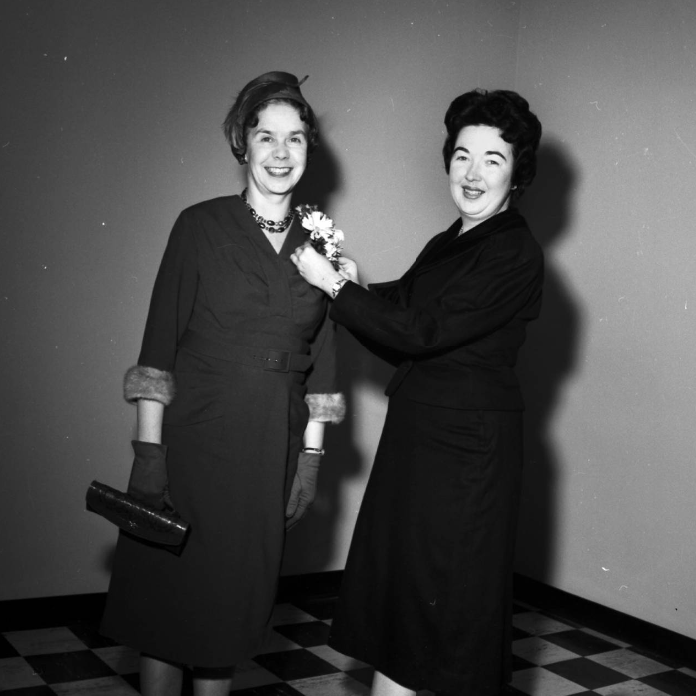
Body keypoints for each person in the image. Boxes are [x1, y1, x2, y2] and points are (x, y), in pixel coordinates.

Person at [100, 71, 345, 696]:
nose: (281, 154)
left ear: (310, 148)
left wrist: (311, 459)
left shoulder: (323, 247)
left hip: (271, 447)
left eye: (295, 139)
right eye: (267, 137)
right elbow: (157, 350)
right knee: (167, 605)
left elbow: (325, 363)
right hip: (194, 444)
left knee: (230, 611)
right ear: (244, 143)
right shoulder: (199, 225)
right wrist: (148, 454)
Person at [291, 88, 543, 696]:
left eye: (492, 158)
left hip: (465, 455)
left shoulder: (514, 250)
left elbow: (423, 331)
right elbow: (399, 319)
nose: (473, 173)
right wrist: (349, 287)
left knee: (441, 609)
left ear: (518, 172)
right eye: (461, 155)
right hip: (424, 439)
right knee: (407, 604)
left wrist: (334, 286)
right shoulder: (451, 240)